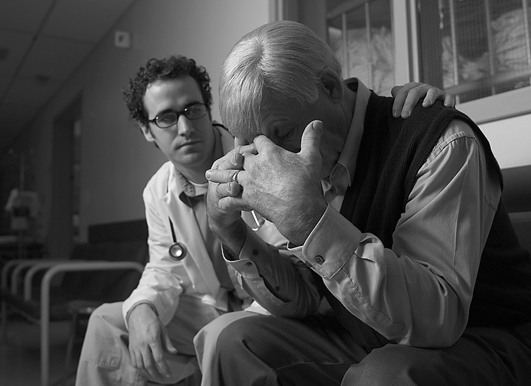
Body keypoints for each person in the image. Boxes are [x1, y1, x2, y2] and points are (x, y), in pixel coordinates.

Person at [199, 21, 531, 386]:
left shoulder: (442, 142)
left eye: (283, 134)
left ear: (328, 87)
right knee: (229, 340)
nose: (271, 160)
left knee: (382, 377)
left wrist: (309, 220)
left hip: (495, 340)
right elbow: (305, 298)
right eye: (250, 143)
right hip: (370, 337)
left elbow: (439, 318)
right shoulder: (297, 163)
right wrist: (231, 233)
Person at [74, 54, 451, 386]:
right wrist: (142, 307)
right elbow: (164, 266)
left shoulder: (267, 154)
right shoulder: (158, 191)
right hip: (214, 301)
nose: (186, 128)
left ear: (209, 110)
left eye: (193, 110)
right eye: (167, 118)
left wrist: (400, 110)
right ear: (147, 130)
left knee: (224, 337)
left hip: (276, 298)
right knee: (110, 322)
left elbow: (351, 121)